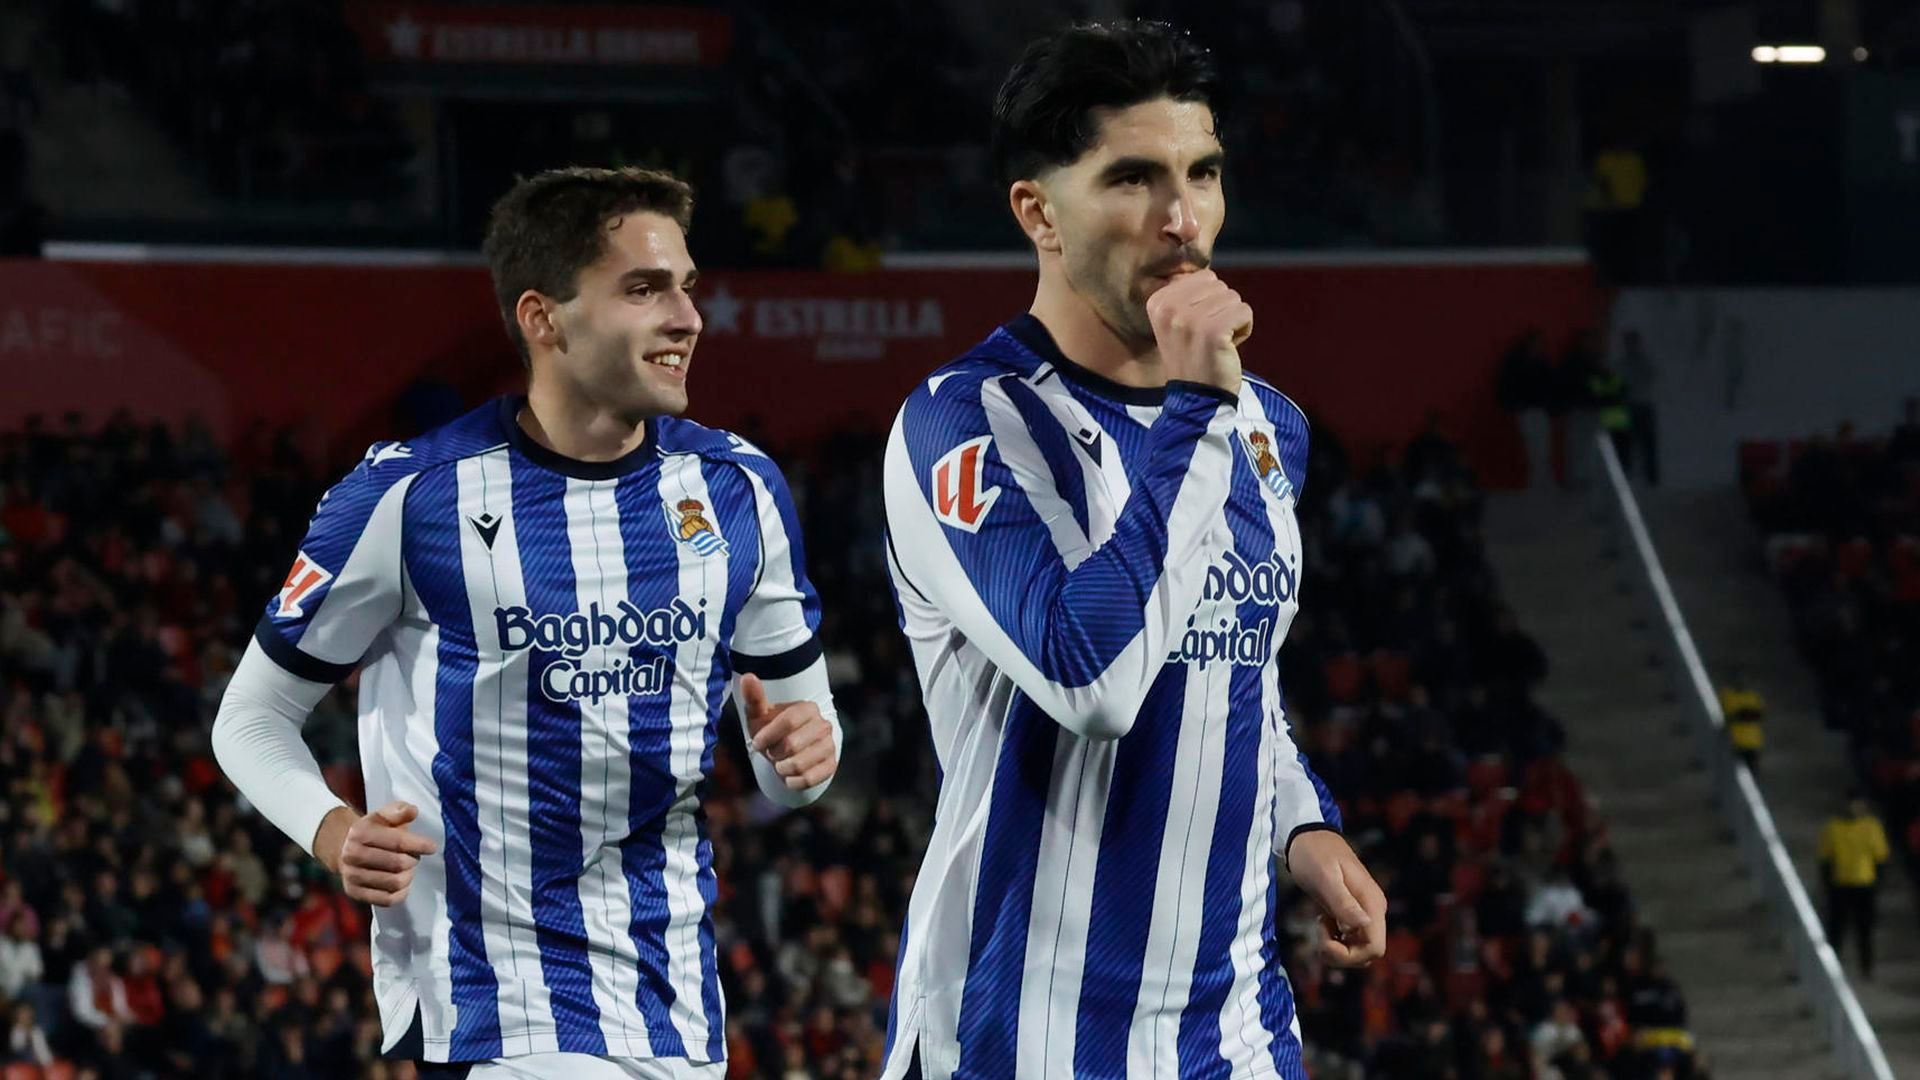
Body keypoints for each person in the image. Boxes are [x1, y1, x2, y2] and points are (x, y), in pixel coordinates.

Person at [212, 166, 843, 1078]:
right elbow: (251, 717)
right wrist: (332, 830)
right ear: (544, 318)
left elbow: (799, 765)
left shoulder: (737, 488)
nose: (687, 318)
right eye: (644, 288)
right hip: (491, 1004)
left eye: (687, 287)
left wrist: (803, 763)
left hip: (675, 1008)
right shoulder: (412, 496)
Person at [877, 21, 1386, 1080]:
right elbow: (1092, 677)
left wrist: (1307, 825)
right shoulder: (963, 425)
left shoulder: (1265, 426)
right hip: (1023, 1038)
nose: (1184, 220)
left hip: (1232, 1031)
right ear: (1038, 212)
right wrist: (1199, 401)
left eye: (1203, 173)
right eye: (1134, 179)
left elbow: (1236, 665)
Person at [1818, 791, 1889, 978]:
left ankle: (1866, 968)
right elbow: (1825, 858)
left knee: (1864, 929)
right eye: (1852, 804)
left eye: (1859, 804)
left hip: (1864, 883)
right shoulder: (1834, 827)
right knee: (1836, 929)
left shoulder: (1871, 826)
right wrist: (1827, 884)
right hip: (1840, 884)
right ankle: (1832, 968)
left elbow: (1880, 857)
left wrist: (1879, 883)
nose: (1855, 808)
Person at [1717, 670, 1765, 773]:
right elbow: (1728, 714)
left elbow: (1758, 714)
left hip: (1752, 741)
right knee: (1732, 771)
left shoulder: (1752, 696)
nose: (1741, 682)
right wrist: (1742, 713)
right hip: (1735, 740)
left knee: (1752, 771)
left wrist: (1742, 714)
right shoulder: (1727, 696)